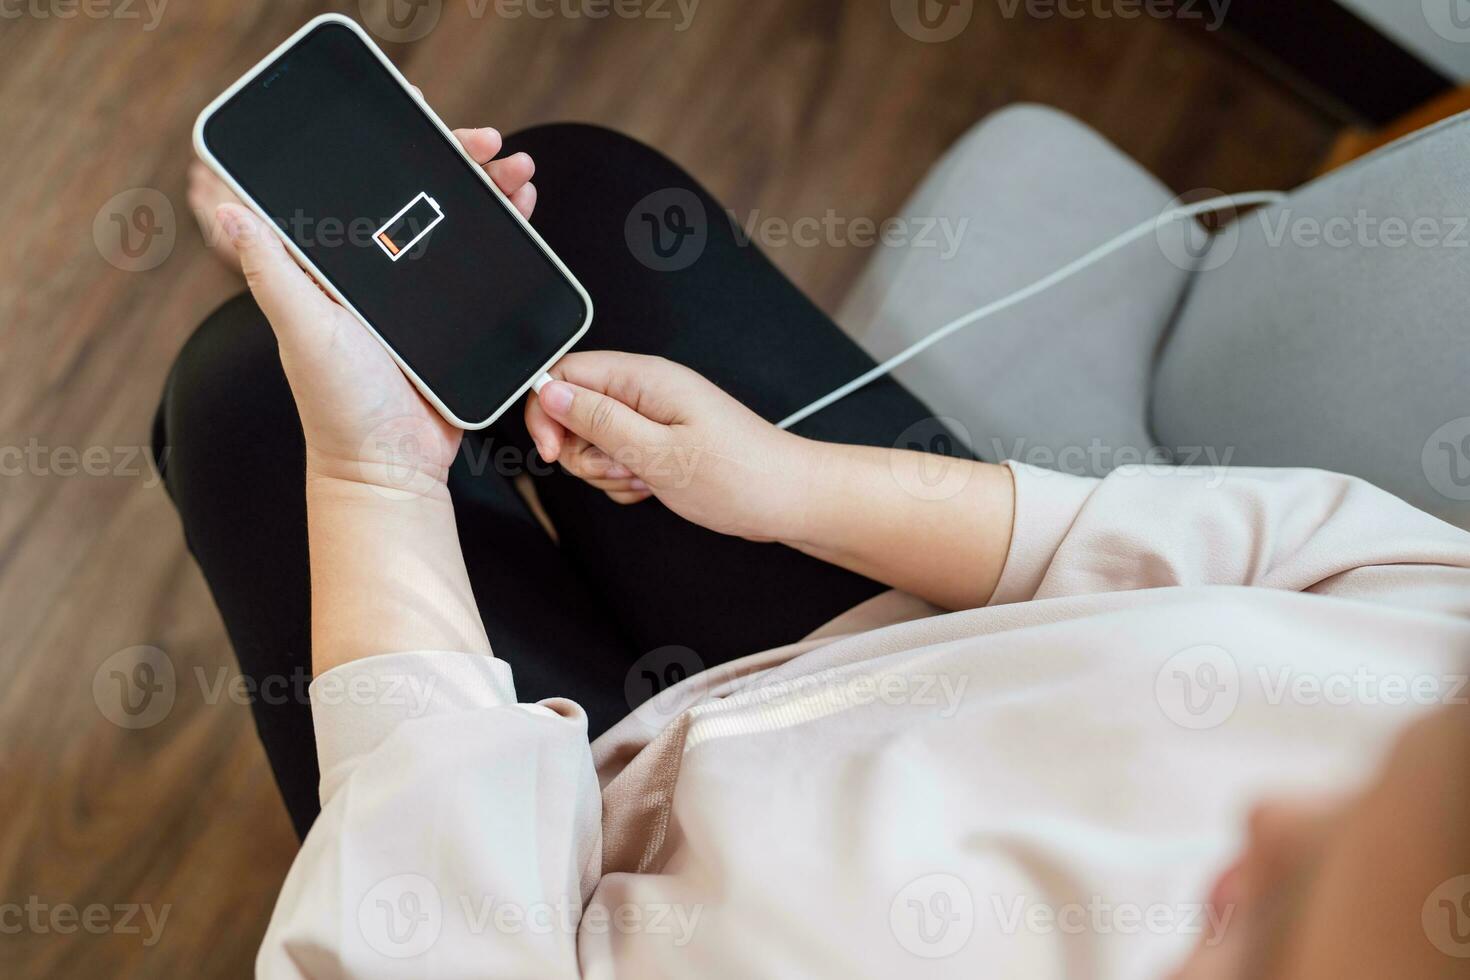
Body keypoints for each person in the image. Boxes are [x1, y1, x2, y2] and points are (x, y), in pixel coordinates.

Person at [157, 123, 1470, 978]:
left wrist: (372, 472)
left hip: (565, 908)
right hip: (909, 629)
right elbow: (1236, 545)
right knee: (590, 197)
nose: (1280, 806)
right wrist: (782, 484)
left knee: (247, 400)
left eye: (1279, 924)